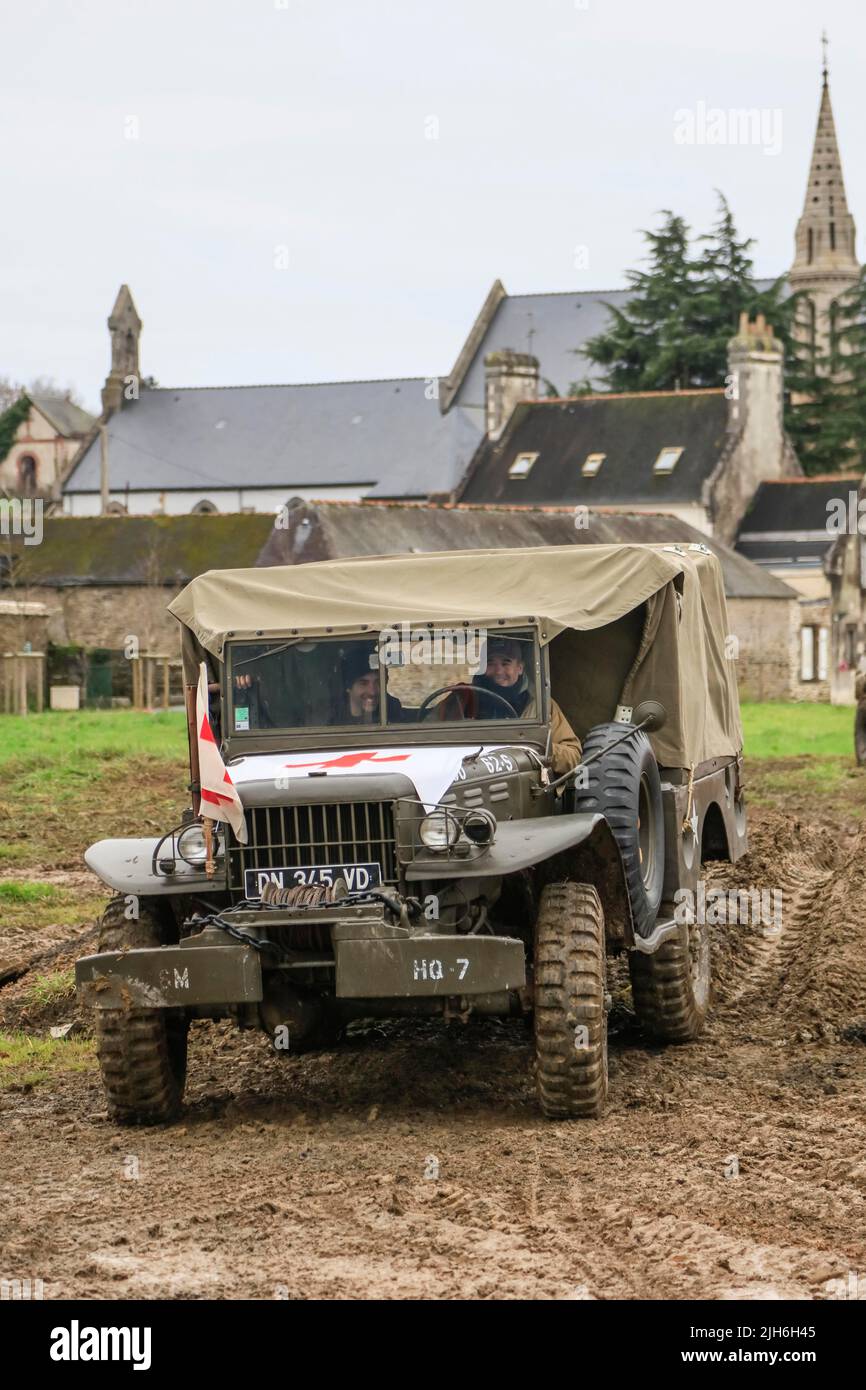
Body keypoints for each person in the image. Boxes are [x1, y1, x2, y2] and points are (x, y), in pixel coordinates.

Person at [469, 636, 583, 776]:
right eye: (491, 663)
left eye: (506, 663)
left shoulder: (540, 704)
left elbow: (572, 756)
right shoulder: (465, 699)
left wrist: (536, 748)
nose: (498, 671)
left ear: (520, 668)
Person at [340, 647, 403, 725]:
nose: (372, 692)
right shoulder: (331, 717)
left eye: (378, 682)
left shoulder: (392, 710)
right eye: (363, 683)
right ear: (348, 687)